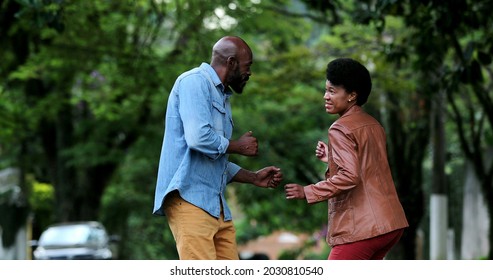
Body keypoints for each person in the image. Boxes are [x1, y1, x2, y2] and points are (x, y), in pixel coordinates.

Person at [153, 36, 283, 260]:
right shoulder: (193, 82)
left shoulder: (222, 96)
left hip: (217, 206)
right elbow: (198, 138)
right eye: (248, 66)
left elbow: (212, 160)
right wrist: (238, 146)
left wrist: (253, 177)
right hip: (190, 200)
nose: (249, 73)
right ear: (231, 62)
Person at [284, 58, 408, 260]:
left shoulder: (339, 128)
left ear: (352, 95)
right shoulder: (373, 124)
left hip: (364, 227)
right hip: (390, 223)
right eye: (326, 90)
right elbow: (369, 166)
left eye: (332, 91)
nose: (325, 96)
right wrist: (332, 159)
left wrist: (308, 191)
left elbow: (351, 176)